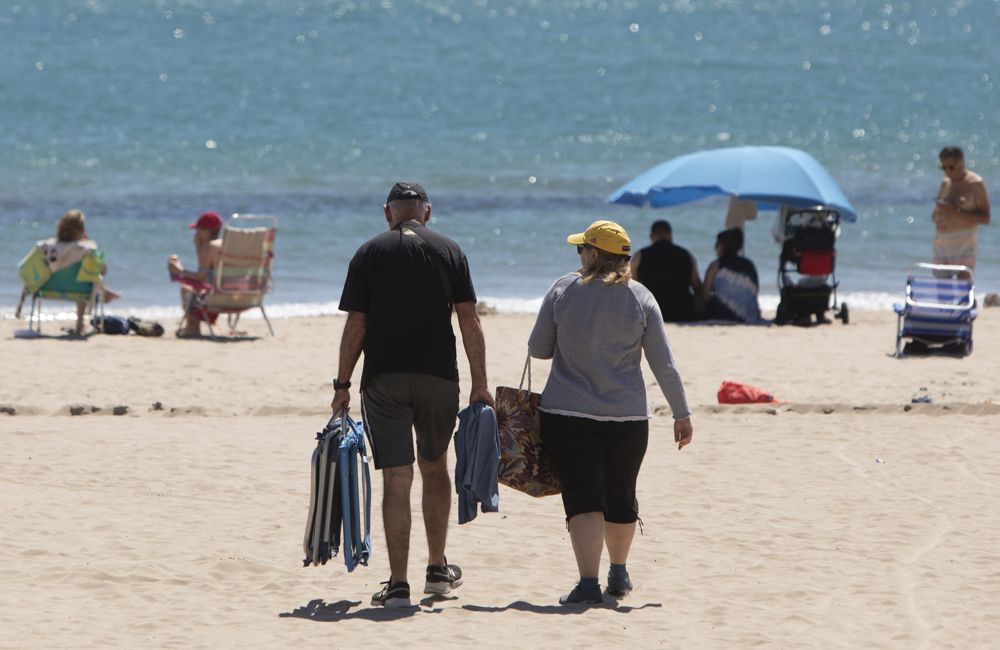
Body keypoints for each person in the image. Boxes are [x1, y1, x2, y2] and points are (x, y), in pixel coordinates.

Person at [330, 181, 492, 609]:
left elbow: (356, 327)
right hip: (439, 377)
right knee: (435, 467)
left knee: (397, 476)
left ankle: (398, 583)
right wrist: (480, 383)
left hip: (384, 380)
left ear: (388, 213)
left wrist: (342, 384)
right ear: (427, 212)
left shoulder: (368, 253)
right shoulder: (450, 251)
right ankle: (437, 571)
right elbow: (469, 322)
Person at [528, 219, 693, 606]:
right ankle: (617, 573)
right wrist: (681, 414)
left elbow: (538, 348)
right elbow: (663, 364)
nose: (579, 255)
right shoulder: (641, 297)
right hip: (627, 418)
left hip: (568, 414)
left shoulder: (562, 289)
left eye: (581, 249)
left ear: (595, 254)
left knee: (583, 497)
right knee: (621, 495)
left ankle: (588, 582)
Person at [38, 209, 120, 334]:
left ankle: (105, 292)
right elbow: (103, 270)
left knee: (82, 277)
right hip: (79, 290)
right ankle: (80, 323)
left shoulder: (47, 247)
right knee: (85, 277)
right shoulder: (85, 249)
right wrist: (87, 241)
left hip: (46, 288)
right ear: (81, 229)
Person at [931, 146, 990, 278]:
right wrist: (938, 214)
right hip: (942, 242)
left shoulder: (975, 183)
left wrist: (954, 211)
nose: (947, 171)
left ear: (961, 163)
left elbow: (985, 218)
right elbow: (935, 214)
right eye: (943, 167)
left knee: (964, 288)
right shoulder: (946, 182)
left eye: (951, 167)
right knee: (942, 289)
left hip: (964, 243)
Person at [629, 220, 702, 322]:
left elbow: (631, 287)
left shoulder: (640, 256)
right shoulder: (686, 255)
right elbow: (697, 287)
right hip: (682, 312)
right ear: (670, 235)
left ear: (651, 236)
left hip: (651, 313)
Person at [167, 211, 223, 337]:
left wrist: (179, 270)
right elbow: (206, 273)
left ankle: (192, 328)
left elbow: (201, 277)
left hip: (215, 298)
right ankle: (193, 327)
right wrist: (199, 248)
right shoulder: (226, 244)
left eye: (198, 230)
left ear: (206, 231)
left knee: (186, 288)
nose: (196, 233)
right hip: (237, 296)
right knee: (195, 289)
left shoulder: (210, 246)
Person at [702, 228, 762, 323]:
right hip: (750, 317)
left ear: (722, 246)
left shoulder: (715, 266)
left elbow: (705, 296)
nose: (715, 247)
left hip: (722, 315)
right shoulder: (749, 265)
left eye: (717, 244)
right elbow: (755, 291)